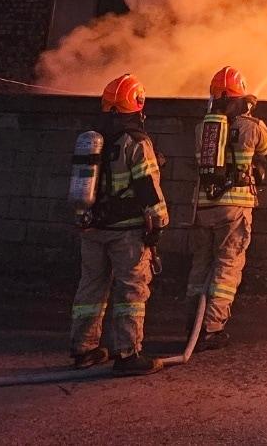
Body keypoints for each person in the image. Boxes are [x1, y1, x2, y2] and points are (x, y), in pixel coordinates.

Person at [70, 73, 169, 376]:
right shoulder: (136, 143)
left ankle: (84, 349)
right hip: (126, 231)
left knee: (90, 288)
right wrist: (160, 222)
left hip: (92, 228)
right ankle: (127, 354)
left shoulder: (91, 140)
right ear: (137, 105)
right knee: (131, 291)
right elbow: (148, 187)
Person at [187, 65, 267, 350]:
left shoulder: (203, 127)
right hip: (234, 208)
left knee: (200, 265)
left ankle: (192, 324)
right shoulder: (251, 126)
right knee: (227, 267)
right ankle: (212, 328)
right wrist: (250, 115)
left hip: (203, 207)